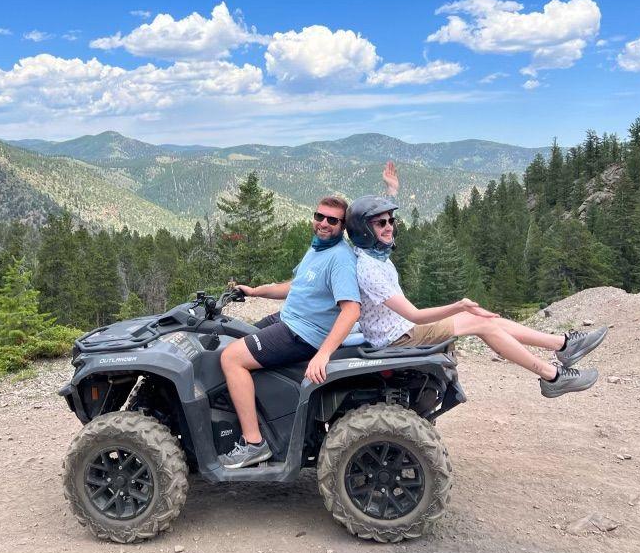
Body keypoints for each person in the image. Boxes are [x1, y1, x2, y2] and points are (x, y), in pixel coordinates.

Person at [345, 162, 607, 397]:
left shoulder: (371, 252)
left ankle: (563, 345)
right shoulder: (369, 268)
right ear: (365, 231)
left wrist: (390, 191)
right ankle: (553, 376)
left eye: (391, 220)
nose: (389, 226)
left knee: (486, 319)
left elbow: (370, 219)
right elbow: (415, 315)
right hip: (399, 335)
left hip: (401, 328)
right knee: (485, 325)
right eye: (381, 224)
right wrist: (459, 306)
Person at [219, 195, 361, 469]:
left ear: (342, 226)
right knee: (229, 337)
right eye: (319, 216)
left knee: (231, 358)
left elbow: (351, 310)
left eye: (332, 220)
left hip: (302, 334)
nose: (323, 223)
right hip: (287, 319)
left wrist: (323, 353)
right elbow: (295, 286)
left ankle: (253, 444)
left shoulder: (340, 259)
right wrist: (255, 291)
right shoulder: (318, 249)